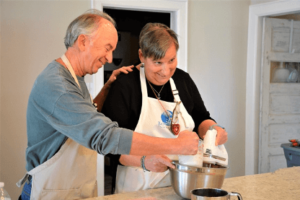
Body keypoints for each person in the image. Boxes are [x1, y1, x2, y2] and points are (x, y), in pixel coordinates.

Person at [17, 10, 200, 200]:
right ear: (82, 42)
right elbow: (104, 136)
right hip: (50, 191)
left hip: (71, 188)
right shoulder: (57, 85)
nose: (110, 58)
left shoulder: (74, 79)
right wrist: (175, 145)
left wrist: (107, 88)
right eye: (107, 48)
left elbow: (85, 118)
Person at [101, 23, 228, 193]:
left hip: (182, 186)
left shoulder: (183, 80)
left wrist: (213, 129)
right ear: (141, 55)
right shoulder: (125, 85)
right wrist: (145, 161)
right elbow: (113, 147)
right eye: (158, 62)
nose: (166, 71)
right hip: (138, 187)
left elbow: (201, 117)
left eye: (171, 60)